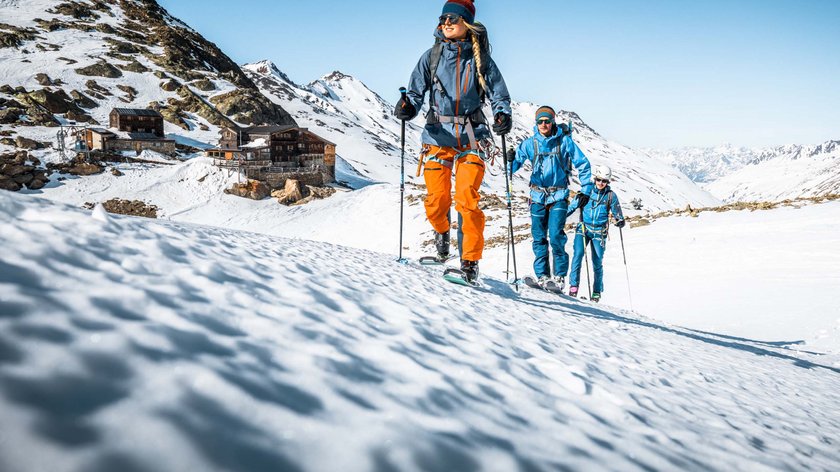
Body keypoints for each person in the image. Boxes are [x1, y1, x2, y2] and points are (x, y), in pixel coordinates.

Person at [394, 0, 512, 284]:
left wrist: (502, 114)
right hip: (437, 138)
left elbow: (499, 95)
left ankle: (469, 264)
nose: (446, 23)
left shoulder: (481, 59)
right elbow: (415, 91)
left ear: (466, 24)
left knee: (466, 200)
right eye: (443, 18)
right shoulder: (431, 56)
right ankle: (442, 234)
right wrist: (407, 106)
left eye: (453, 19)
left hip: (473, 139)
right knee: (436, 201)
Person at [508, 106, 592, 290]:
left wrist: (586, 189)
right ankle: (542, 275)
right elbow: (512, 169)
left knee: (555, 235)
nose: (543, 124)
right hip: (537, 196)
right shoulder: (530, 144)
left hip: (559, 195)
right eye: (540, 121)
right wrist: (510, 160)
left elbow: (583, 164)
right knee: (538, 237)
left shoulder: (564, 142)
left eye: (547, 121)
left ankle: (560, 277)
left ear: (553, 121)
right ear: (536, 123)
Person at [567, 164, 626, 302]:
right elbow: (571, 207)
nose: (601, 183)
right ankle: (573, 286)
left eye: (604, 181)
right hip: (583, 229)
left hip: (599, 232)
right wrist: (558, 218)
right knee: (578, 255)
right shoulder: (586, 192)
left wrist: (620, 221)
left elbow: (618, 214)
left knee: (597, 262)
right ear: (595, 178)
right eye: (599, 180)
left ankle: (596, 292)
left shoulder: (611, 196)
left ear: (608, 182)